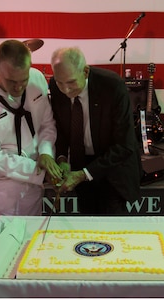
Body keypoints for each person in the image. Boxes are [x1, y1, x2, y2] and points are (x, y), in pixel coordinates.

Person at [0, 39, 62, 217]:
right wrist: (38, 170)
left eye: (23, 80)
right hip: (3, 182)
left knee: (32, 229)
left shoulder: (37, 79)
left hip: (36, 173)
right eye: (11, 81)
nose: (18, 87)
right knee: (4, 232)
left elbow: (47, 124)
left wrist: (46, 154)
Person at [49, 47, 143, 215]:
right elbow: (61, 128)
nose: (66, 90)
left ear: (85, 72)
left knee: (110, 230)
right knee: (87, 225)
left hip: (113, 170)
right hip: (80, 165)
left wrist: (84, 174)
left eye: (71, 82)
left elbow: (125, 144)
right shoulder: (56, 86)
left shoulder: (112, 86)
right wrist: (62, 158)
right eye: (59, 82)